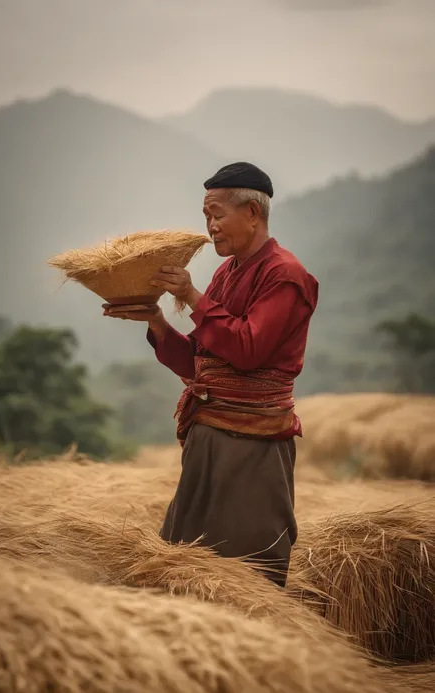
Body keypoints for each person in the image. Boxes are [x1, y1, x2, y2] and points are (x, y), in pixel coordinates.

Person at [103, 162, 319, 587]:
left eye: (217, 215)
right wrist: (157, 321)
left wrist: (189, 293)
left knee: (248, 575)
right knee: (182, 568)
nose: (210, 227)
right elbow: (200, 362)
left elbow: (246, 349)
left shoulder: (286, 275)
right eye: (206, 217)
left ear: (253, 214)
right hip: (208, 438)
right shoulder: (227, 273)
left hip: (253, 445)